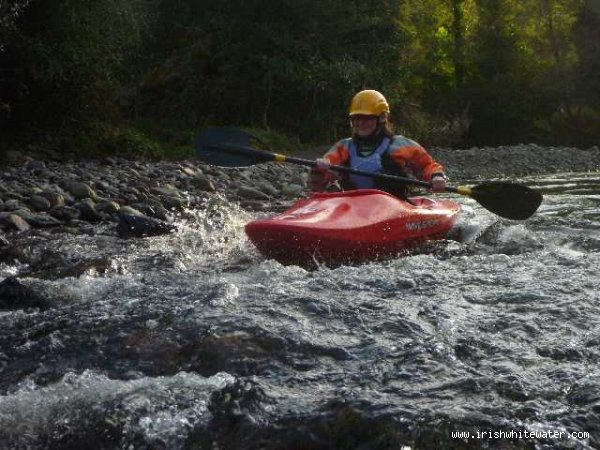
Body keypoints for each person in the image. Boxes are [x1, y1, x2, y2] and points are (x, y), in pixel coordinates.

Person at [308, 89, 447, 197]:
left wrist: (437, 176)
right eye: (356, 118)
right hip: (353, 206)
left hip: (393, 206)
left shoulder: (400, 145)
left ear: (381, 119)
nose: (360, 123)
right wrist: (320, 168)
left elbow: (428, 165)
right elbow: (321, 180)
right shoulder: (344, 147)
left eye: (367, 118)